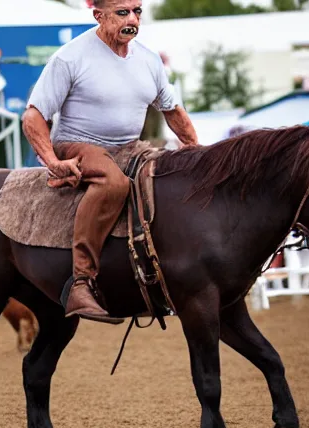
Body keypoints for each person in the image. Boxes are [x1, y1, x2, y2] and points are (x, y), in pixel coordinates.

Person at [22, 0, 198, 323]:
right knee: (114, 182)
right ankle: (80, 282)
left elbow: (172, 111)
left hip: (129, 147)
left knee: (168, 178)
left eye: (137, 11)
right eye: (123, 12)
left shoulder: (148, 61)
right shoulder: (70, 58)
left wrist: (197, 152)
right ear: (98, 16)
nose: (132, 19)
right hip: (76, 145)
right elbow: (33, 117)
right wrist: (51, 161)